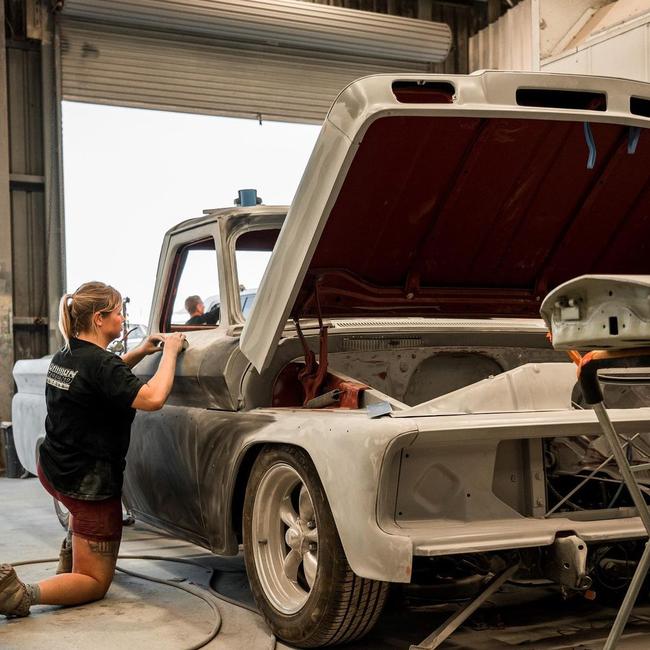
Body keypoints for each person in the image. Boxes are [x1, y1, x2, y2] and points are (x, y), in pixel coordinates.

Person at [0, 281, 186, 618]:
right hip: (88, 487)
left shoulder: (67, 354)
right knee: (94, 581)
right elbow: (153, 398)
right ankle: (19, 594)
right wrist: (170, 351)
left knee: (81, 530)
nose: (122, 317)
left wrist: (141, 352)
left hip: (55, 469)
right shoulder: (102, 365)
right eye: (118, 312)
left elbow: (105, 378)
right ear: (99, 318)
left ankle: (73, 548)